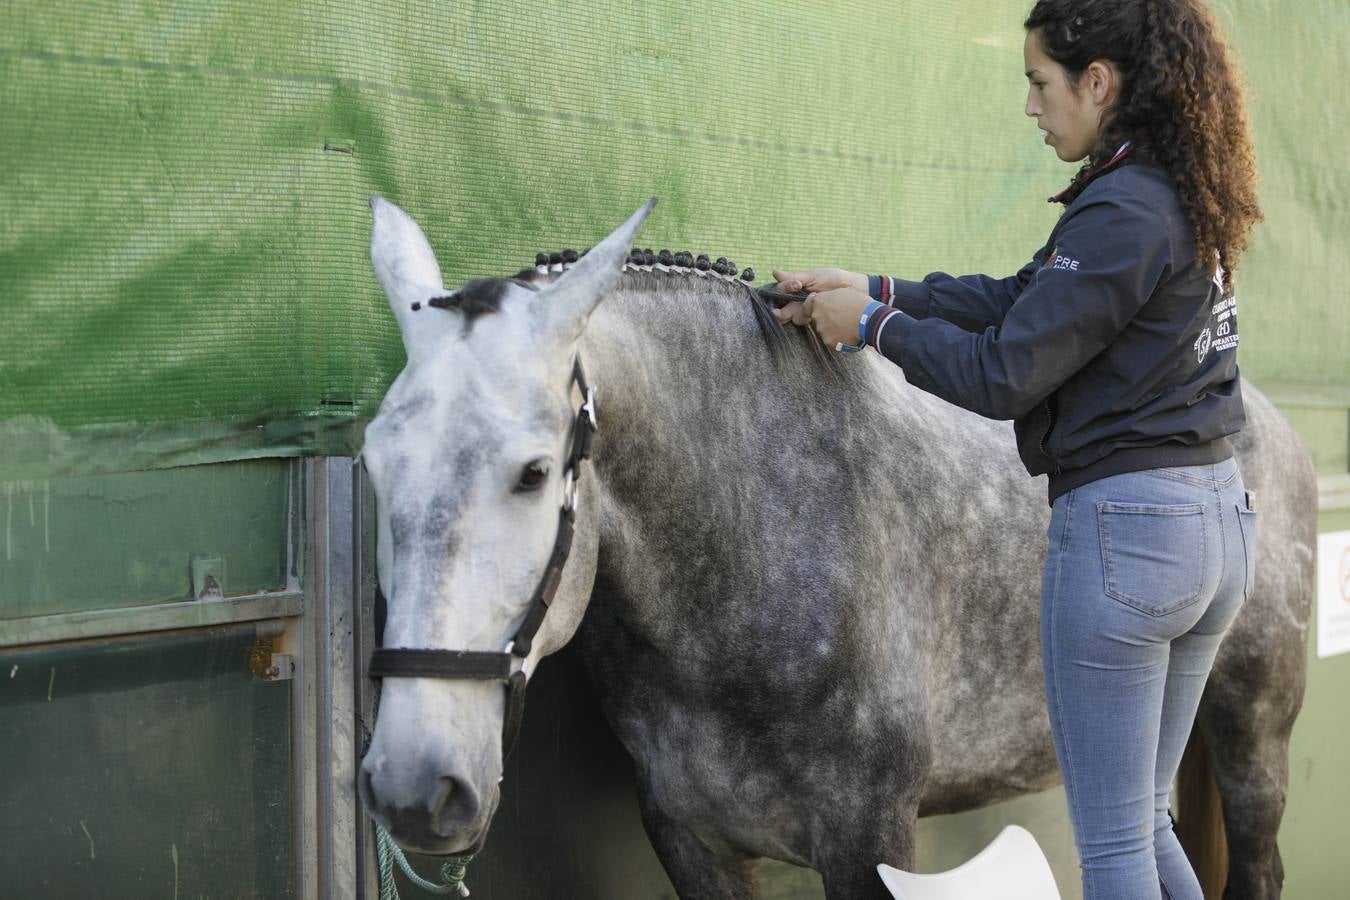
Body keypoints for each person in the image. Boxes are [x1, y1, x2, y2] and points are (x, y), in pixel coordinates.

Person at [770, 1, 1262, 898]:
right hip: (1217, 528)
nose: (1032, 107)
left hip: (1130, 539)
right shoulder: (1173, 188)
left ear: (1098, 82)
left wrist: (872, 326)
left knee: (1115, 848)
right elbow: (1023, 299)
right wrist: (875, 287)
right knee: (1148, 823)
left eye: (1041, 84)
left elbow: (1002, 375)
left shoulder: (1125, 207)